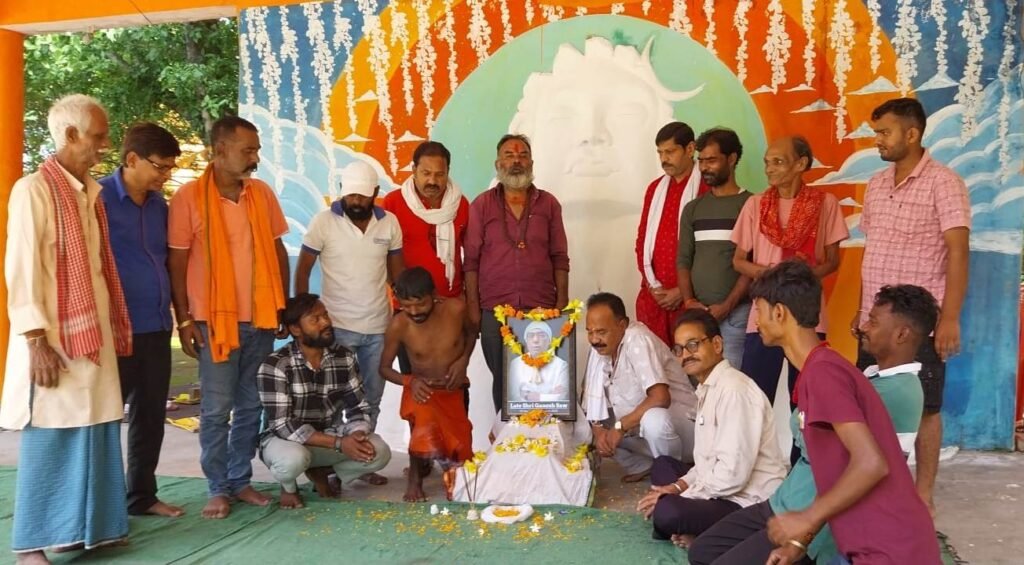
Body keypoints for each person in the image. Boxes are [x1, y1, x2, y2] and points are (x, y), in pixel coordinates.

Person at [689, 283, 939, 565]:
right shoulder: (860, 375)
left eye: (873, 321)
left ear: (902, 334)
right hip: (792, 502)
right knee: (702, 552)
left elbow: (861, 465)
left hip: (824, 519)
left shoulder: (891, 390)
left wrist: (804, 530)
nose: (862, 327)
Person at [2, 94, 133, 563]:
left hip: (91, 337)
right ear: (70, 135)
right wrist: (35, 340)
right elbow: (20, 270)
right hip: (52, 339)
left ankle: (82, 531)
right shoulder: (33, 190)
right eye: (98, 137)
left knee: (96, 428)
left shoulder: (90, 193)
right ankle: (31, 545)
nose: (104, 146)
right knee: (52, 435)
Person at [168, 115, 290, 519]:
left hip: (260, 319)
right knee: (217, 410)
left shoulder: (261, 194)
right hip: (212, 322)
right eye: (248, 150)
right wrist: (185, 320)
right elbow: (177, 263)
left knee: (251, 406)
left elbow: (277, 250)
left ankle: (240, 480)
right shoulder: (188, 198)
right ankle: (217, 487)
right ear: (219, 150)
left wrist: (282, 305)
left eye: (256, 150)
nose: (255, 158)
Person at [855, 97, 970, 517]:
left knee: (926, 408)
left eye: (884, 132)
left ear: (912, 133)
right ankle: (870, 489)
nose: (878, 140)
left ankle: (923, 495)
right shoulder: (876, 184)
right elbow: (873, 248)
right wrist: (861, 310)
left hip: (919, 325)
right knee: (869, 403)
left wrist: (949, 317)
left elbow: (958, 252)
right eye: (877, 133)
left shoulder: (945, 182)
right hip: (875, 321)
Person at [294, 159, 404, 487]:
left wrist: (406, 311)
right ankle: (328, 465)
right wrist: (300, 315)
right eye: (351, 194)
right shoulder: (323, 222)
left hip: (378, 327)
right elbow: (303, 269)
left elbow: (397, 274)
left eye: (362, 195)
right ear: (342, 191)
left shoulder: (389, 224)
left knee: (371, 399)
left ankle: (362, 462)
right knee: (333, 399)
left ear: (375, 193)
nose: (355, 201)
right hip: (337, 327)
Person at [637, 308, 786, 548]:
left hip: (747, 501)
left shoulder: (734, 391)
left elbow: (732, 476)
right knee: (662, 465)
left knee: (668, 511)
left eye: (693, 345)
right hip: (722, 488)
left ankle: (704, 531)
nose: (686, 355)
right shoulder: (708, 388)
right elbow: (707, 462)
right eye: (679, 349)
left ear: (717, 344)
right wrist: (675, 487)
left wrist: (683, 495)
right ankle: (695, 526)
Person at [98, 122, 185, 518]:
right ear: (131, 159)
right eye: (159, 167)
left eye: (169, 169)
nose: (164, 176)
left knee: (150, 417)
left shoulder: (159, 206)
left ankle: (142, 497)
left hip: (156, 326)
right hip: (113, 330)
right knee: (103, 420)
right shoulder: (96, 199)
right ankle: (100, 507)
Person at [732, 136, 849, 405]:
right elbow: (738, 261)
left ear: (801, 164)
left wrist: (797, 279)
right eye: (767, 162)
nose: (769, 169)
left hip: (807, 315)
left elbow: (832, 261)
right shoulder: (756, 205)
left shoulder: (825, 204)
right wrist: (774, 279)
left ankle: (803, 438)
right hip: (763, 315)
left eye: (778, 162)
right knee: (755, 400)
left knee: (807, 400)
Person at [464, 134, 570, 414]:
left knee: (542, 379)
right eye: (509, 156)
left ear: (531, 163)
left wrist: (561, 304)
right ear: (497, 164)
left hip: (541, 308)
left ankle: (542, 438)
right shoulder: (482, 205)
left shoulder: (548, 204)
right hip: (494, 310)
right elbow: (471, 261)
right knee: (504, 380)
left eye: (522, 155)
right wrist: (474, 308)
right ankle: (508, 438)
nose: (516, 161)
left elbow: (560, 257)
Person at [256, 294, 392, 509]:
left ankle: (323, 472)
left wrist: (357, 434)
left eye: (325, 315)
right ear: (296, 329)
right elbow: (283, 425)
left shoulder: (344, 357)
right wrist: (339, 443)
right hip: (284, 441)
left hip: (327, 435)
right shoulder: (276, 364)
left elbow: (359, 407)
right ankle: (288, 487)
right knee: (292, 460)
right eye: (315, 319)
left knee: (379, 451)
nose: (326, 323)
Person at [380, 267, 476, 502]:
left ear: (434, 295)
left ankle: (455, 477)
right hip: (422, 391)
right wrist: (410, 381)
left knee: (460, 446)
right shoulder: (399, 324)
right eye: (407, 306)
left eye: (420, 304)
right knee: (422, 429)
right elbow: (384, 368)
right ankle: (415, 480)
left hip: (453, 389)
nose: (414, 312)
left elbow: (472, 334)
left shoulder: (456, 309)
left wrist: (463, 361)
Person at [582, 293, 698, 482]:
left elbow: (660, 398)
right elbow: (591, 406)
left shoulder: (638, 340)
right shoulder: (601, 349)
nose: (594, 339)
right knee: (587, 423)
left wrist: (619, 427)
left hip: (686, 431)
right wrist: (599, 432)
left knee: (654, 419)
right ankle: (644, 466)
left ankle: (674, 474)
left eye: (601, 332)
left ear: (622, 325)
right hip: (644, 433)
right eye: (590, 332)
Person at [382, 141, 470, 376]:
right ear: (414, 171)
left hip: (450, 308)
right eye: (426, 173)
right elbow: (382, 255)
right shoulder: (393, 203)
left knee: (453, 380)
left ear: (448, 172)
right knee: (415, 381)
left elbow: (472, 256)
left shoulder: (460, 204)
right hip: (410, 309)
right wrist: (401, 294)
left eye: (439, 174)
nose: (432, 181)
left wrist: (468, 299)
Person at [676, 127, 752, 369]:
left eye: (711, 160)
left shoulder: (751, 205)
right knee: (698, 384)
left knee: (731, 380)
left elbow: (751, 266)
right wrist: (689, 301)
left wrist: (727, 306)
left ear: (732, 159)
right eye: (701, 161)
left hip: (737, 316)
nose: (704, 167)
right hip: (697, 317)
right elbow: (683, 260)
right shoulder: (693, 209)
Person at [635, 121, 710, 345]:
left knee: (691, 360)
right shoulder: (654, 189)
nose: (664, 159)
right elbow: (642, 241)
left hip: (691, 298)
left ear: (690, 149)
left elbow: (710, 251)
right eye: (660, 153)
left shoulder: (707, 187)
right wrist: (653, 287)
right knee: (653, 362)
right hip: (654, 299)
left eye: (670, 152)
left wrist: (681, 291)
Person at [507, 321, 571, 403]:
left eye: (541, 335)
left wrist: (531, 396)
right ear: (526, 341)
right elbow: (513, 397)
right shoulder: (516, 364)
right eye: (531, 336)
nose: (535, 340)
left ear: (549, 340)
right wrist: (549, 396)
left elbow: (562, 397)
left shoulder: (561, 365)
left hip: (553, 410)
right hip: (522, 411)